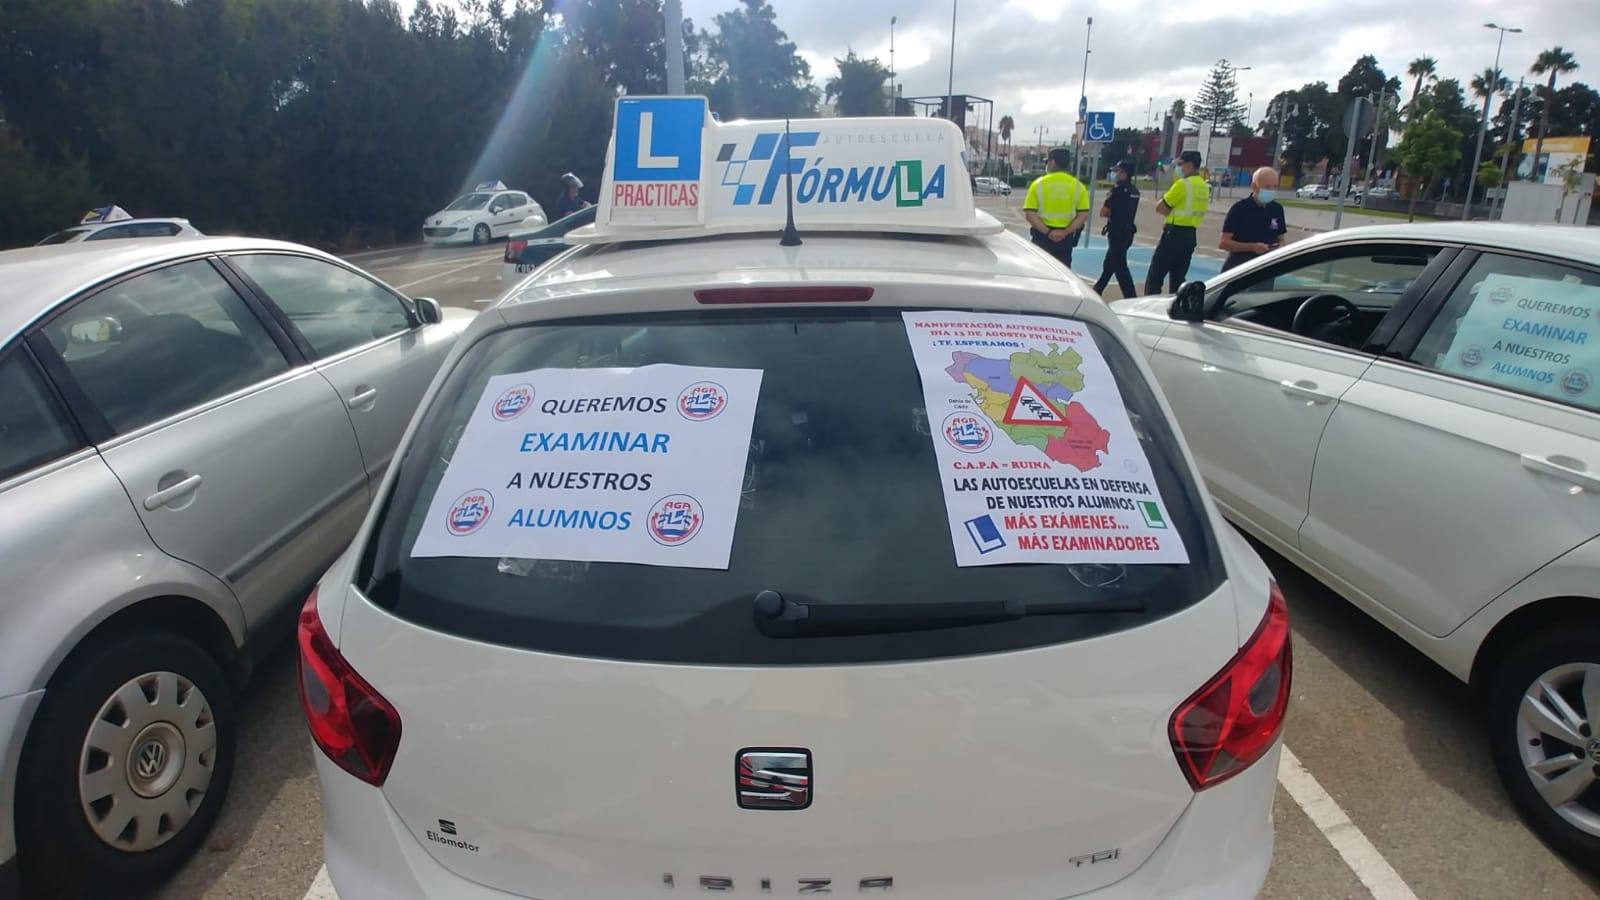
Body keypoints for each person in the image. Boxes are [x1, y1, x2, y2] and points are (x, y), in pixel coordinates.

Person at [1144, 150, 1210, 295]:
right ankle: (1177, 309)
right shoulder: (1204, 186)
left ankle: (1148, 307)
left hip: (1173, 234)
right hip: (1190, 235)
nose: (1179, 167)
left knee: (1155, 276)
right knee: (1178, 278)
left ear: (1190, 165)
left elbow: (1160, 207)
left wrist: (1168, 208)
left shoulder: (1183, 184)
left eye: (1181, 164)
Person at [1022, 147, 1091, 270]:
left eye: (1047, 161)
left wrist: (1048, 232)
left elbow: (1030, 214)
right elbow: (1083, 216)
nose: (1046, 165)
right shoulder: (1078, 186)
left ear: (1053, 162)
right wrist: (1065, 232)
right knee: (1063, 274)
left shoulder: (1038, 184)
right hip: (1065, 240)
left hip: (1042, 238)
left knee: (1039, 272)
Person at [1219, 167, 1288, 271]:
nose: (1272, 191)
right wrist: (1252, 247)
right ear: (1254, 187)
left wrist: (1280, 247)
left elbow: (1281, 238)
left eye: (1275, 187)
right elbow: (1223, 243)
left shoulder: (1277, 209)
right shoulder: (1239, 209)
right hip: (1239, 268)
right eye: (1268, 187)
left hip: (1266, 269)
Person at [1092, 160, 1140, 298]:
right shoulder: (1134, 191)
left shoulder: (1117, 190)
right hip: (1128, 232)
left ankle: (1131, 297)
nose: (1116, 174)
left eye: (1118, 171)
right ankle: (1098, 289)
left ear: (1124, 173)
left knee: (1120, 267)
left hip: (1116, 232)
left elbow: (1103, 212)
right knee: (1109, 264)